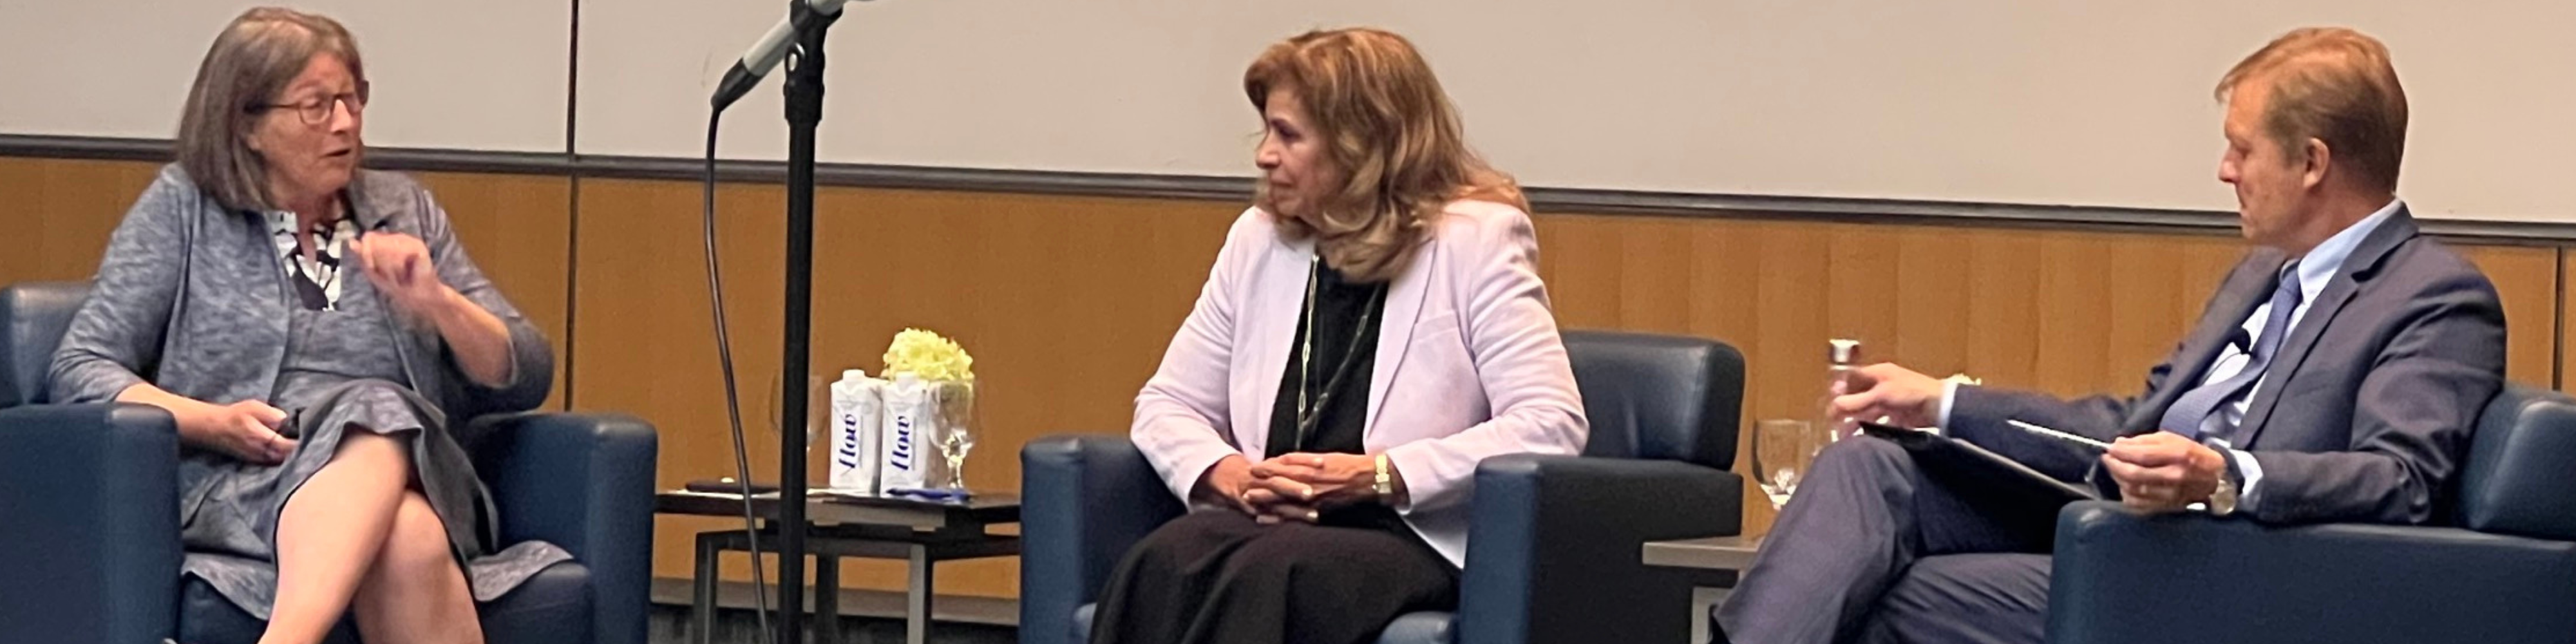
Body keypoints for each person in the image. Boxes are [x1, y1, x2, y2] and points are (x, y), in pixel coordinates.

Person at [1716, 27, 2506, 644]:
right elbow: (2126, 427)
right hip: (2114, 523)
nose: (2223, 171)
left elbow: (2400, 481)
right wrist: (1947, 404)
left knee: (1875, 596)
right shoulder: (2257, 276)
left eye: (2241, 149)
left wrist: (2226, 474)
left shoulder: (2434, 296)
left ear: (2311, 162)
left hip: (2223, 570)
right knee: (1867, 467)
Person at [48, 8, 564, 644]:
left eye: (353, 98)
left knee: (378, 410)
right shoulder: (183, 210)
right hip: (246, 482)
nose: (346, 123)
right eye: (316, 106)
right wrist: (211, 421)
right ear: (248, 124)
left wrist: (437, 301)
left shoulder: (400, 209)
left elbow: (526, 373)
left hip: (417, 465)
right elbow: (80, 367)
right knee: (407, 536)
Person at [1086, 27, 1589, 644]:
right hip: (1266, 520)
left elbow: (1551, 422)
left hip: (1401, 530)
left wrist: (1376, 475)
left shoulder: (1476, 241)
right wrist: (1228, 472)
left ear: (1363, 145)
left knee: (1276, 572)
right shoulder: (1259, 240)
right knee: (1163, 558)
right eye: (1267, 131)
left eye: (1289, 135)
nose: (1264, 155)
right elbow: (1169, 403)